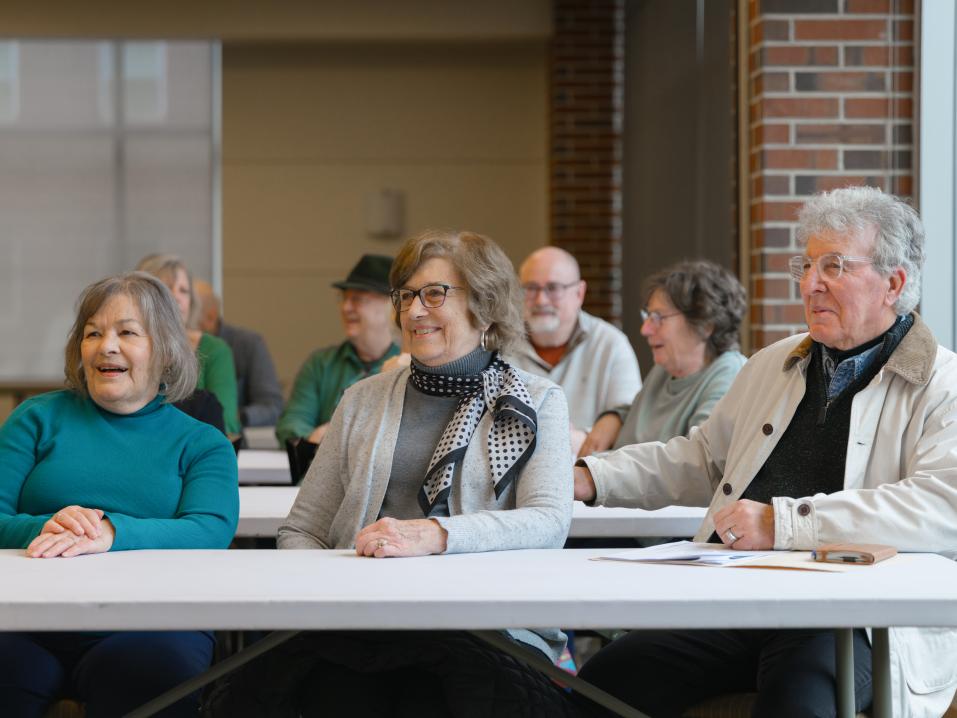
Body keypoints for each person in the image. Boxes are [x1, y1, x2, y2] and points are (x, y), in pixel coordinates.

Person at [573, 187, 957, 718]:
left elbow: (940, 507)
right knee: (602, 683)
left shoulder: (943, 383)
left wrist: (784, 524)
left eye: (834, 265)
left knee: (798, 704)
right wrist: (590, 478)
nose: (810, 283)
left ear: (893, 283)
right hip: (738, 598)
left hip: (850, 616)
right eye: (804, 265)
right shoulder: (775, 363)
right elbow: (702, 457)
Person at [212, 230, 576, 717]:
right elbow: (303, 529)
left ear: (486, 307)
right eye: (406, 296)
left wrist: (436, 534)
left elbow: (549, 520)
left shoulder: (538, 401)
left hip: (486, 622)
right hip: (359, 623)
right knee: (332, 695)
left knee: (438, 698)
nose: (413, 311)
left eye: (434, 294)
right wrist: (330, 598)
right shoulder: (363, 398)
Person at [0, 272, 239, 717]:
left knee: (149, 674)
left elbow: (209, 531)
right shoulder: (34, 418)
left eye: (127, 332)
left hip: (152, 623)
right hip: (22, 619)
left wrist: (111, 533)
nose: (106, 346)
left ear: (165, 350)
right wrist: (46, 527)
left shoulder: (203, 443)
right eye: (93, 333)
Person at [579, 260, 747, 455]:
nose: (645, 329)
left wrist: (597, 474)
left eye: (658, 317)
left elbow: (695, 462)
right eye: (648, 316)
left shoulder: (729, 377)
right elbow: (642, 420)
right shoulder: (667, 368)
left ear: (704, 324)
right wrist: (614, 417)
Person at [509, 246, 641, 454]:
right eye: (531, 288)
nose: (541, 300)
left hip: (591, 476)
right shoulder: (499, 344)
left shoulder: (611, 345)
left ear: (579, 293)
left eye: (553, 288)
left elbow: (630, 421)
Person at [275, 254, 400, 447]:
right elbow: (291, 423)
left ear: (391, 306)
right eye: (344, 298)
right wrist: (315, 441)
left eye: (357, 299)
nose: (345, 307)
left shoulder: (406, 366)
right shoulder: (321, 364)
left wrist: (340, 436)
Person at [136, 254, 242, 437]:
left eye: (184, 290)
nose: (176, 297)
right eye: (167, 288)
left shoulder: (214, 349)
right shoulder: (124, 346)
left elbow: (227, 424)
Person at [194, 279, 284, 428]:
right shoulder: (176, 348)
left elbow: (273, 406)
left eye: (188, 318)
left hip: (238, 443)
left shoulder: (249, 344)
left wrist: (236, 415)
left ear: (210, 318)